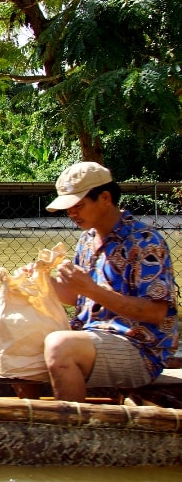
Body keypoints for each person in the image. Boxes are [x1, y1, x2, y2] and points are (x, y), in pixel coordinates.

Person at [38, 161, 178, 401]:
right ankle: (35, 422)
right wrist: (42, 281)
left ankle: (72, 433)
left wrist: (90, 289)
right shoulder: (87, 240)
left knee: (59, 347)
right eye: (68, 208)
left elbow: (156, 312)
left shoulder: (145, 242)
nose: (72, 213)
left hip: (139, 350)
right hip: (93, 337)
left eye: (78, 205)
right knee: (22, 343)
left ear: (104, 198)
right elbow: (79, 299)